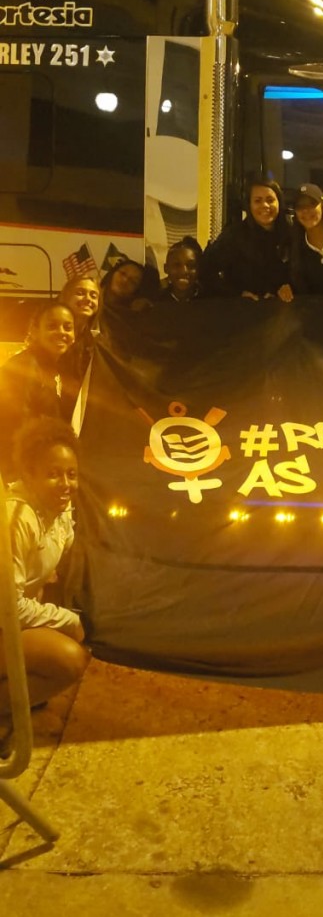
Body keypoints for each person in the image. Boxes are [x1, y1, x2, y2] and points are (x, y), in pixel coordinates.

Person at [0, 418, 89, 717]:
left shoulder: (59, 507)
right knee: (69, 659)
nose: (65, 484)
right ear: (29, 473)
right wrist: (67, 620)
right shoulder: (17, 517)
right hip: (3, 619)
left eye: (71, 474)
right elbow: (7, 607)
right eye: (53, 474)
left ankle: (15, 692)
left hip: (14, 618)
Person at [0, 302, 75, 479]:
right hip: (19, 474)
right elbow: (14, 427)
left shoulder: (53, 370)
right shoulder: (22, 366)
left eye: (68, 327)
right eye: (52, 326)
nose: (62, 332)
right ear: (34, 331)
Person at [200, 181, 293, 301]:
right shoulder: (234, 235)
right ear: (249, 205)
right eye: (258, 201)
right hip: (242, 310)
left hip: (280, 310)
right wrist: (236, 294)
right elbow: (205, 269)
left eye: (270, 200)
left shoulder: (290, 234)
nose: (265, 205)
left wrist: (288, 288)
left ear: (279, 203)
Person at [59, 276, 100, 418]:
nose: (88, 299)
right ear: (66, 297)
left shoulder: (97, 342)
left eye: (93, 295)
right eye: (80, 292)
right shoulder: (53, 335)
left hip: (80, 415)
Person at [156, 237, 203, 302]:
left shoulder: (210, 301)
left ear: (199, 269)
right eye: (176, 265)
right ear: (166, 268)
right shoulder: (156, 301)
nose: (183, 271)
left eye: (191, 265)